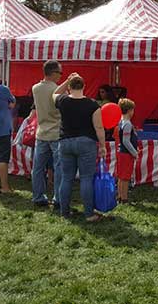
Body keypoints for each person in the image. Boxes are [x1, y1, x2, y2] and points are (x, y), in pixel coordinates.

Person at [54, 75, 106, 222]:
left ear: (70, 87)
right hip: (86, 142)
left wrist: (67, 80)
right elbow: (99, 127)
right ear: (84, 86)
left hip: (65, 142)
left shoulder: (63, 100)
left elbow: (55, 93)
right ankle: (89, 214)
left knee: (66, 178)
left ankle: (64, 212)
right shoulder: (93, 104)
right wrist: (102, 145)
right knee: (86, 178)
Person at [31, 60, 65, 208]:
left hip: (41, 133)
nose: (60, 76)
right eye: (60, 73)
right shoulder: (57, 90)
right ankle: (58, 198)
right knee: (59, 168)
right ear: (53, 73)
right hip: (56, 133)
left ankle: (38, 196)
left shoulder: (35, 88)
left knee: (38, 168)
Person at [116, 98, 140, 204]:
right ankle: (124, 199)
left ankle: (120, 196)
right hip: (126, 153)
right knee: (125, 177)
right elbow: (126, 141)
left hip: (121, 152)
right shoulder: (128, 124)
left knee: (121, 176)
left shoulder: (120, 122)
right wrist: (134, 153)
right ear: (129, 110)